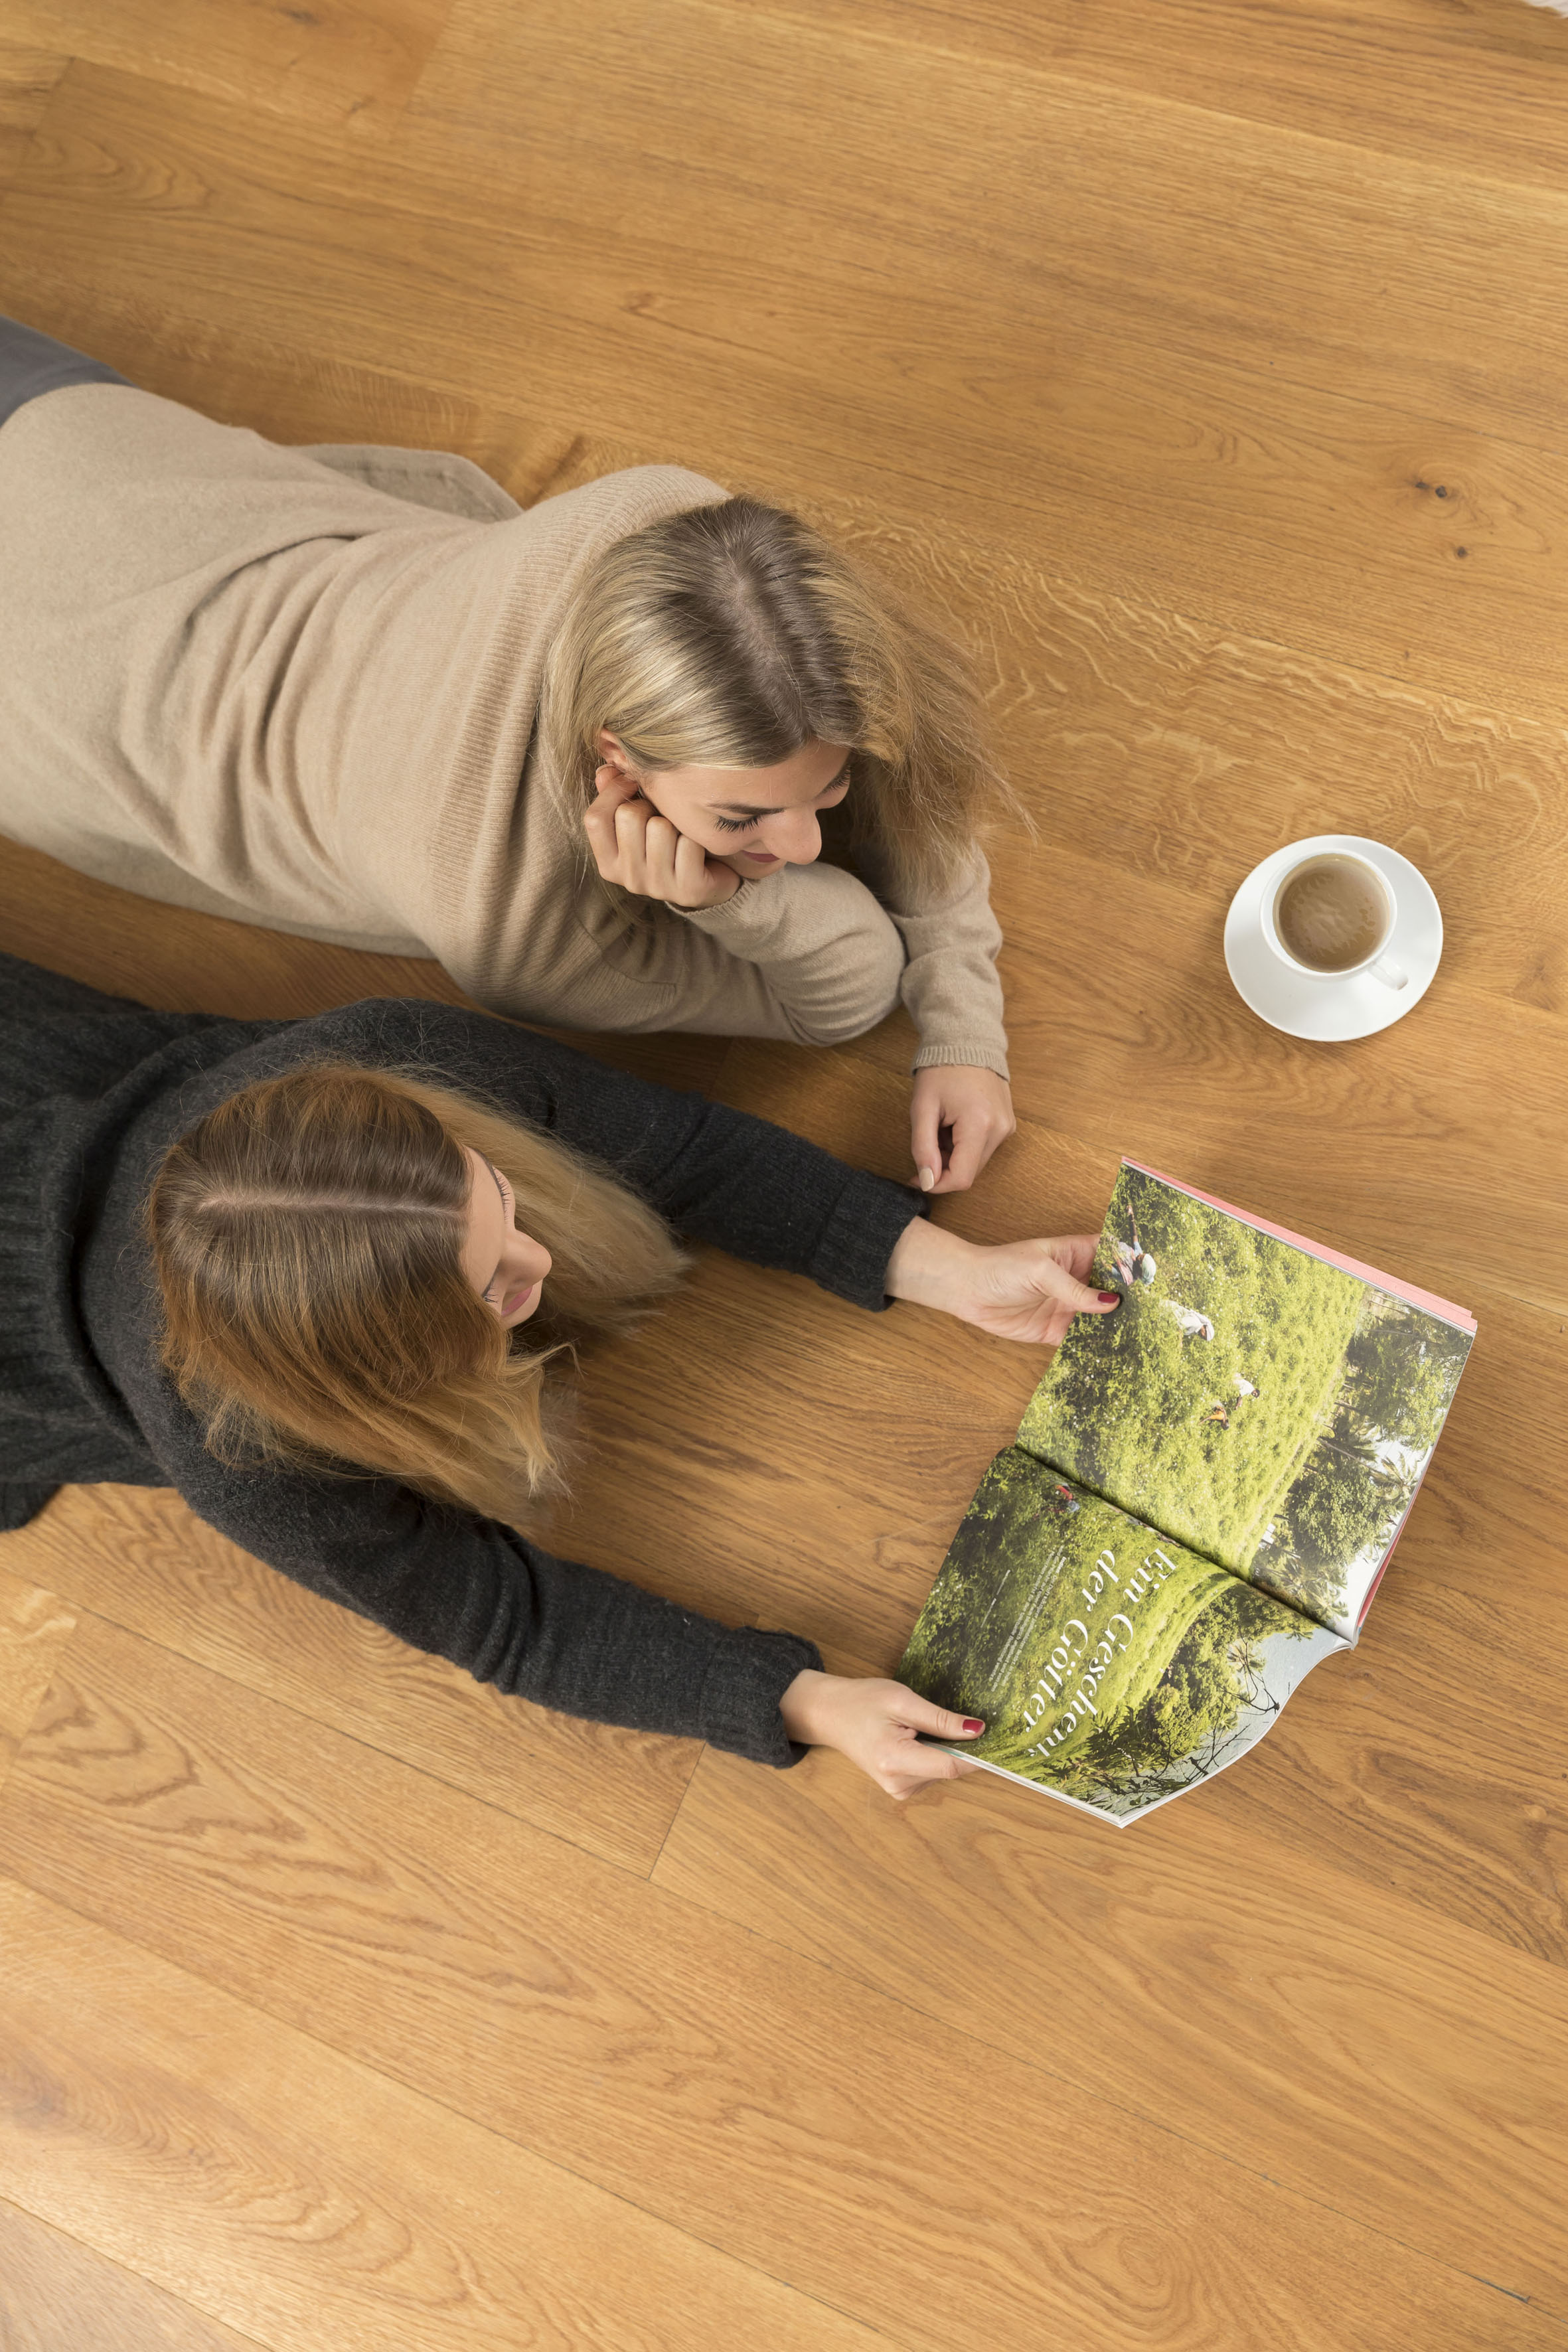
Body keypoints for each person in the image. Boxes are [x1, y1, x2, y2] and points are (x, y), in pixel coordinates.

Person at [0, 951, 1119, 1798]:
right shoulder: (244, 1458)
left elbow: (683, 1151)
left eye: (496, 1198)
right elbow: (502, 1619)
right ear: (381, 1391)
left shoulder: (403, 1058)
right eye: (490, 1293)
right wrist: (794, 1700)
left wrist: (953, 1270)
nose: (539, 1264)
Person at [0, 316, 1016, 1196]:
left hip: (77, 453)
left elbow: (909, 786)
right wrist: (731, 904)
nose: (803, 844)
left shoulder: (673, 536)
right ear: (615, 756)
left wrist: (965, 1028)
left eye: (826, 790)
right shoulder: (510, 914)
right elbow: (848, 990)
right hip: (44, 681)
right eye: (742, 820)